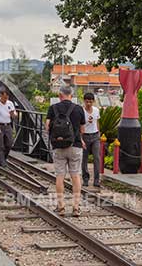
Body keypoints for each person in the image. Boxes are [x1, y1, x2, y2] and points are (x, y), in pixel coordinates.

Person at [46, 85, 86, 216]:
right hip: (75, 146)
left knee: (60, 176)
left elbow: (47, 127)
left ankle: (61, 206)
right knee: (75, 176)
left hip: (58, 146)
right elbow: (82, 130)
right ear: (72, 95)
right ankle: (75, 207)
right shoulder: (79, 109)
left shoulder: (53, 108)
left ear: (60, 95)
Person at [0, 88, 17, 167]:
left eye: (7, 98)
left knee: (9, 143)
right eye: (4, 98)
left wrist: (13, 114)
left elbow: (15, 115)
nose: (5, 99)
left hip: (8, 125)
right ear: (1, 95)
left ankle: (3, 158)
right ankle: (2, 163)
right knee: (0, 144)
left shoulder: (10, 103)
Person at [81, 93, 101, 187]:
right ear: (84, 101)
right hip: (85, 136)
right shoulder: (81, 111)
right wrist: (81, 139)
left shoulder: (96, 110)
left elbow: (97, 122)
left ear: (93, 101)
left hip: (95, 136)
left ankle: (96, 180)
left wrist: (99, 133)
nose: (88, 103)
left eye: (90, 101)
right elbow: (79, 125)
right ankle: (85, 179)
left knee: (96, 158)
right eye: (87, 101)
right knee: (84, 159)